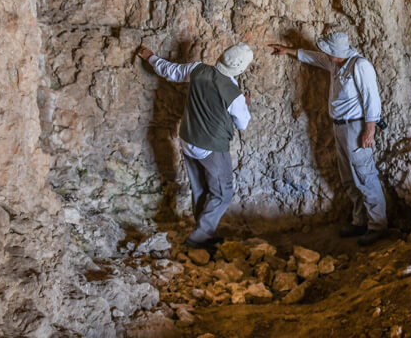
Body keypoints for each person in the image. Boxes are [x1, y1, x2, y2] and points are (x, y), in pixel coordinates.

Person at [269, 31, 387, 246]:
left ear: (337, 52)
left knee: (365, 175)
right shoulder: (335, 62)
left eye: (328, 51)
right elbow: (313, 57)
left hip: (357, 126)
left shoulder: (360, 66)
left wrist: (369, 131)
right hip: (340, 127)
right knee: (349, 178)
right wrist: (288, 51)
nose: (325, 53)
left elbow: (372, 99)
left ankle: (377, 225)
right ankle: (360, 221)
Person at [137, 42, 253, 251]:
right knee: (222, 193)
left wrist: (151, 58)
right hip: (210, 146)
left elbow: (170, 71)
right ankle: (199, 238)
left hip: (188, 139)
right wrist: (245, 103)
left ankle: (203, 230)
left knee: (200, 188)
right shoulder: (233, 94)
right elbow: (242, 123)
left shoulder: (198, 69)